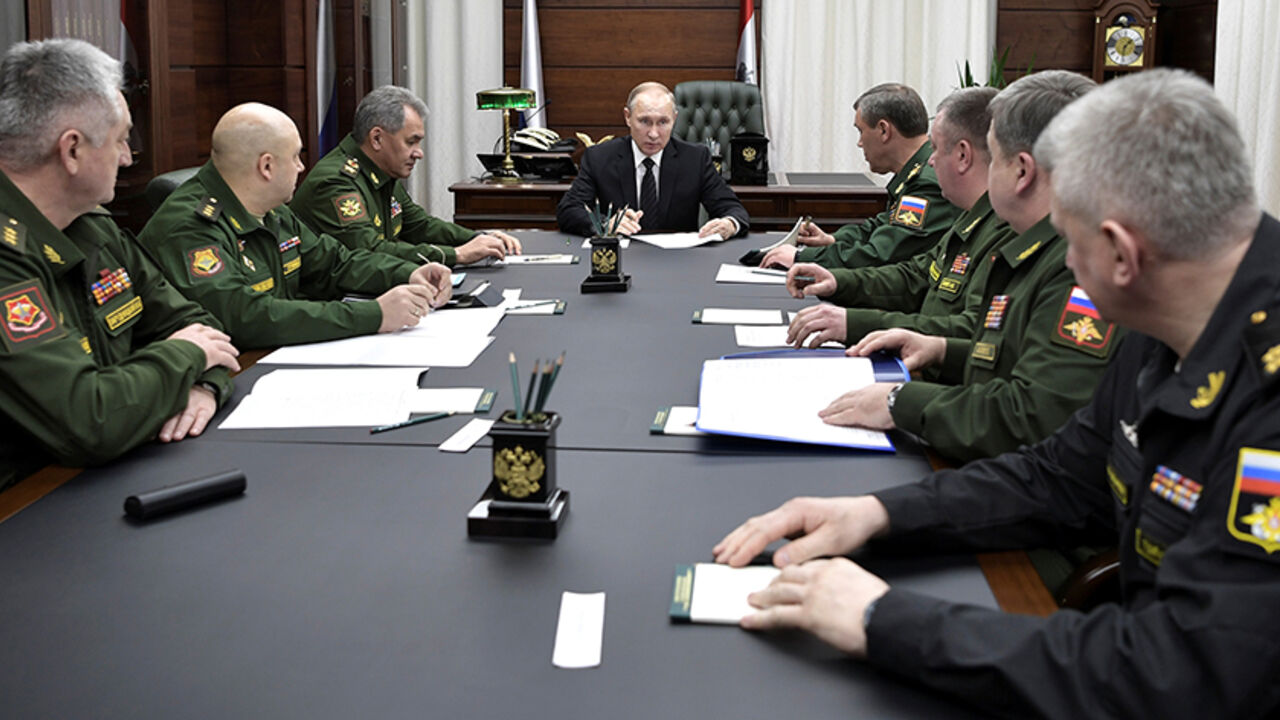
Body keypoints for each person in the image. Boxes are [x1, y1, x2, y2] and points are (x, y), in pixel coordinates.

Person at [713, 68, 1280, 718]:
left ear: (1122, 253)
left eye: (1068, 240)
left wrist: (882, 618)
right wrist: (879, 514)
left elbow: (1186, 674)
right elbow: (1059, 476)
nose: (1062, 266)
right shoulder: (1175, 313)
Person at [802, 71, 1120, 465]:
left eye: (994, 156)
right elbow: (1004, 354)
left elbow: (1035, 415)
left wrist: (901, 400)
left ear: (1021, 170)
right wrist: (941, 349)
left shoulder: (1079, 265)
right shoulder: (1035, 244)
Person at [0, 39, 239, 491]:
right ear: (71, 151)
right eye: (121, 138)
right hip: (27, 507)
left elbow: (198, 324)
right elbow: (90, 417)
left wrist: (204, 386)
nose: (129, 157)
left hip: (102, 477)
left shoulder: (91, 224)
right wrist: (186, 357)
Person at [138, 103, 452, 350]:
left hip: (274, 355)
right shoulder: (190, 225)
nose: (302, 167)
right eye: (295, 157)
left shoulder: (273, 212)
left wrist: (407, 273)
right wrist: (375, 315)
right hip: (228, 377)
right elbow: (247, 317)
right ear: (267, 166)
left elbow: (335, 263)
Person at [785, 86, 1014, 349]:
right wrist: (838, 282)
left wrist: (855, 323)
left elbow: (972, 331)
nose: (931, 160)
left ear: (963, 155)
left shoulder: (1003, 229)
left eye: (936, 148)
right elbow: (915, 274)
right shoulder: (971, 218)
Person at [292, 85, 519, 268]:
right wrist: (455, 255)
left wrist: (477, 238)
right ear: (377, 139)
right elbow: (369, 251)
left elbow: (420, 225)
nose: (419, 153)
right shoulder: (336, 182)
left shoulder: (380, 171)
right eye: (411, 142)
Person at [759, 83, 960, 270]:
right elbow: (882, 225)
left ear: (883, 130)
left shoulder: (926, 183)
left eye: (861, 131)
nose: (860, 143)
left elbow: (880, 255)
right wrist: (834, 240)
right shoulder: (914, 173)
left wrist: (802, 258)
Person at [555, 81, 749, 239]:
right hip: (622, 259)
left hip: (678, 263)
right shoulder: (599, 157)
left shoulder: (695, 159)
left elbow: (733, 209)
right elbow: (568, 209)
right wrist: (605, 223)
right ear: (628, 117)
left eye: (663, 122)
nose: (654, 134)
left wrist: (729, 224)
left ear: (674, 118)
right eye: (644, 121)